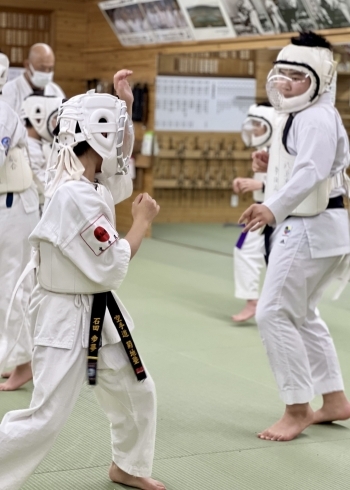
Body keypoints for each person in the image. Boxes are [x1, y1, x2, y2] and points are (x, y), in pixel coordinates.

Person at [0, 69, 166, 490]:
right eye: (113, 128)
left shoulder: (86, 177)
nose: (120, 138)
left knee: (135, 390)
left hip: (100, 310)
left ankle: (127, 465)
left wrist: (124, 104)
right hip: (64, 313)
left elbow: (119, 170)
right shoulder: (74, 195)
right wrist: (142, 222)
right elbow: (113, 264)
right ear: (97, 137)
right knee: (45, 416)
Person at [239, 31, 350, 441]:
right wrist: (273, 165)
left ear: (319, 77)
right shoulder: (306, 115)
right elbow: (306, 167)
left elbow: (312, 173)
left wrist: (271, 206)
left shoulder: (317, 116)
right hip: (319, 228)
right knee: (302, 315)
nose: (284, 81)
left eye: (295, 75)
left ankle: (298, 407)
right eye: (280, 72)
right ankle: (334, 400)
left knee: (272, 312)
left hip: (309, 228)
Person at [0, 52, 40, 392]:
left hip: (13, 207)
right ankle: (10, 355)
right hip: (8, 206)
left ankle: (24, 362)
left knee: (12, 288)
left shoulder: (1, 115)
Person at [232, 103, 275, 322]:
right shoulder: (263, 149)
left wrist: (262, 187)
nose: (255, 129)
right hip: (260, 210)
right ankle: (253, 302)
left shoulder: (283, 148)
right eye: (253, 124)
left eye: (259, 124)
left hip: (281, 212)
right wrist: (244, 182)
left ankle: (278, 306)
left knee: (278, 259)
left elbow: (295, 182)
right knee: (243, 249)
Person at [22, 94, 63, 212]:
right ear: (38, 117)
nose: (58, 125)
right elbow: (45, 189)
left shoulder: (41, 146)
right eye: (56, 118)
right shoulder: (28, 149)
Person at [1, 43, 65, 118]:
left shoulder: (56, 91)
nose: (46, 72)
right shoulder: (9, 91)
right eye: (42, 68)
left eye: (50, 69)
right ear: (27, 65)